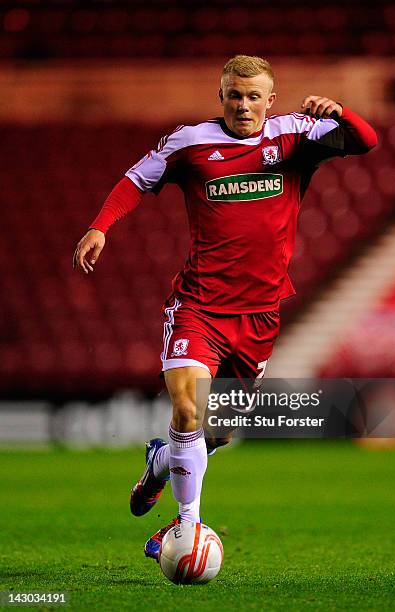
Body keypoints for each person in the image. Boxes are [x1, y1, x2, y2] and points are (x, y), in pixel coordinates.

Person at [73, 55, 378, 561]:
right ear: (222, 96)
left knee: (218, 432)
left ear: (269, 101)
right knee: (188, 407)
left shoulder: (295, 137)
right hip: (199, 307)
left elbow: (367, 142)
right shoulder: (191, 143)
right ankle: (187, 525)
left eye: (254, 96)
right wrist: (100, 225)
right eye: (234, 95)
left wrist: (341, 112)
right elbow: (135, 179)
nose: (243, 105)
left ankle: (160, 462)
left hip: (259, 314)